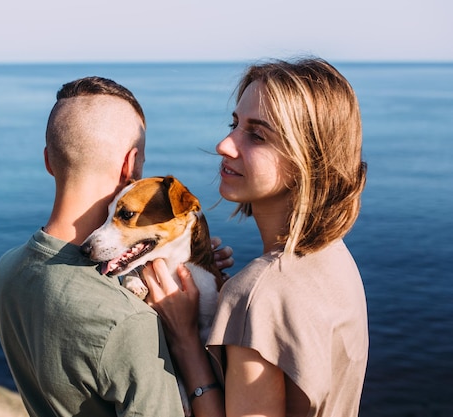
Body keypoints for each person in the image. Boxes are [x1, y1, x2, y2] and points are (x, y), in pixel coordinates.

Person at [0, 76, 233, 417]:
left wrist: (186, 262)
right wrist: (185, 338)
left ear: (49, 161)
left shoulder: (8, 269)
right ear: (130, 165)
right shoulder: (129, 321)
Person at [143, 58, 369, 417]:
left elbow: (265, 300)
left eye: (257, 134)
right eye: (235, 124)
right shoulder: (336, 257)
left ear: (307, 161)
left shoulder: (257, 294)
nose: (224, 145)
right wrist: (221, 300)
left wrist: (184, 339)